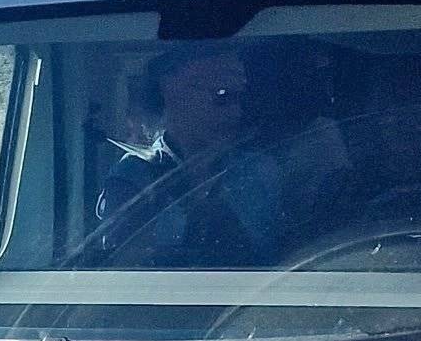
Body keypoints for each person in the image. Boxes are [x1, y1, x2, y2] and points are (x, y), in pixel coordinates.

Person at [94, 43, 286, 265]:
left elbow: (285, 261)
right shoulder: (132, 178)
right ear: (172, 93)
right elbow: (123, 270)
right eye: (222, 95)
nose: (236, 112)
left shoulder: (260, 172)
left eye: (240, 97)